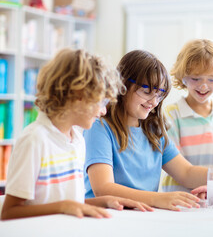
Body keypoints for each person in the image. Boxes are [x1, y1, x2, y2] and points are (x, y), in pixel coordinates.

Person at [83, 50, 213, 211]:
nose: (154, 102)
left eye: (160, 94)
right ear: (123, 86)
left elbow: (186, 172)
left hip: (143, 214)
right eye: (147, 92)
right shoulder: (100, 127)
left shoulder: (154, 130)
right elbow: (103, 188)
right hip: (108, 214)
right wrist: (157, 198)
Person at [1, 48, 152, 220]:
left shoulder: (77, 140)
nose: (103, 111)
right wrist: (64, 206)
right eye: (101, 102)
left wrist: (104, 201)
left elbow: (72, 204)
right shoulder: (34, 140)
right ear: (78, 96)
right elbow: (9, 213)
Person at [161, 39, 213, 200]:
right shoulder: (171, 115)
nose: (204, 86)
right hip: (179, 200)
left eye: (212, 79)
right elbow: (179, 169)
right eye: (196, 78)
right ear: (183, 77)